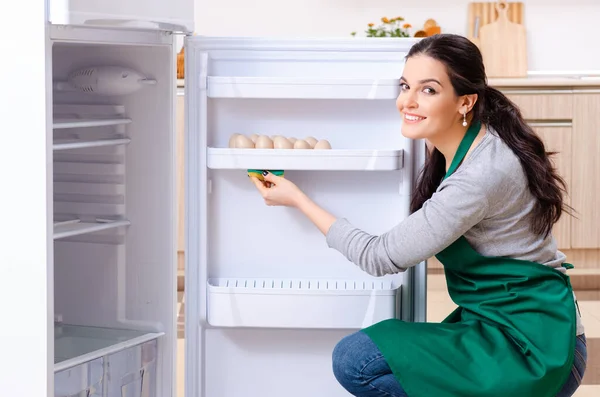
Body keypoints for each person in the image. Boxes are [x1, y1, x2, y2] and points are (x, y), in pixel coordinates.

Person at [249, 33, 587, 397]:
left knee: (356, 360)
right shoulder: (468, 141)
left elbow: (379, 257)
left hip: (534, 348)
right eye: (405, 85)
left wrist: (299, 199)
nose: (406, 101)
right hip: (501, 324)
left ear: (465, 102)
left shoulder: (480, 176)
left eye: (428, 90)